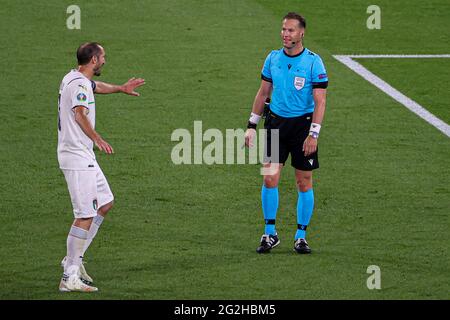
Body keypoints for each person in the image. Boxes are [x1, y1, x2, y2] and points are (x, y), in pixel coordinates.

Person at [57, 42, 145, 292]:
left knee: (104, 203)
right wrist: (97, 138)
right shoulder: (79, 84)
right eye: (103, 56)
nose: (105, 60)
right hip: (76, 156)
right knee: (84, 214)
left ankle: (74, 259)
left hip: (83, 155)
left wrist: (121, 88)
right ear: (94, 60)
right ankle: (69, 274)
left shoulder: (74, 78)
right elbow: (80, 113)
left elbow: (96, 87)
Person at [244, 12, 328, 254]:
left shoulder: (314, 62)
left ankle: (301, 236)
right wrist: (251, 126)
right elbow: (263, 93)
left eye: (290, 30)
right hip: (275, 125)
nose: (285, 34)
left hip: (303, 128)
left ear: (301, 33)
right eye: (283, 29)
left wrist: (313, 135)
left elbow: (320, 101)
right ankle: (270, 234)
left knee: (304, 182)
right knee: (270, 178)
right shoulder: (272, 59)